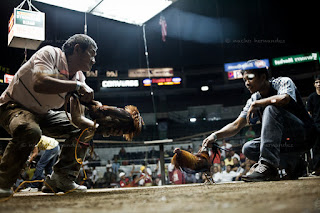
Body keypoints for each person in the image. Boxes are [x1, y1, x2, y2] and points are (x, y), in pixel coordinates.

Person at [0, 34, 122, 197]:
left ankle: (61, 179)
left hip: (43, 114)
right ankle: (2, 183)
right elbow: (39, 82)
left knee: (86, 130)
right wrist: (77, 86)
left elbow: (77, 120)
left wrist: (100, 128)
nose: (93, 60)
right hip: (13, 107)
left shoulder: (79, 77)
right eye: (92, 54)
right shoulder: (50, 53)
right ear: (77, 49)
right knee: (30, 130)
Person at [202, 61, 317, 182]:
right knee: (248, 148)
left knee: (271, 108)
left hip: (304, 135)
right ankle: (293, 163)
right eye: (244, 79)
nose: (247, 83)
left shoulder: (282, 82)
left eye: (250, 78)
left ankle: (268, 165)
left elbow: (284, 98)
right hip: (284, 141)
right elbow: (236, 125)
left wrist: (258, 103)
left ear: (263, 77)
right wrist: (214, 136)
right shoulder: (254, 98)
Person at [307, 75, 320, 175]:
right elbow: (309, 113)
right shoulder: (311, 98)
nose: (319, 84)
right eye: (317, 82)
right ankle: (317, 169)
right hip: (316, 126)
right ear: (314, 84)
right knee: (316, 148)